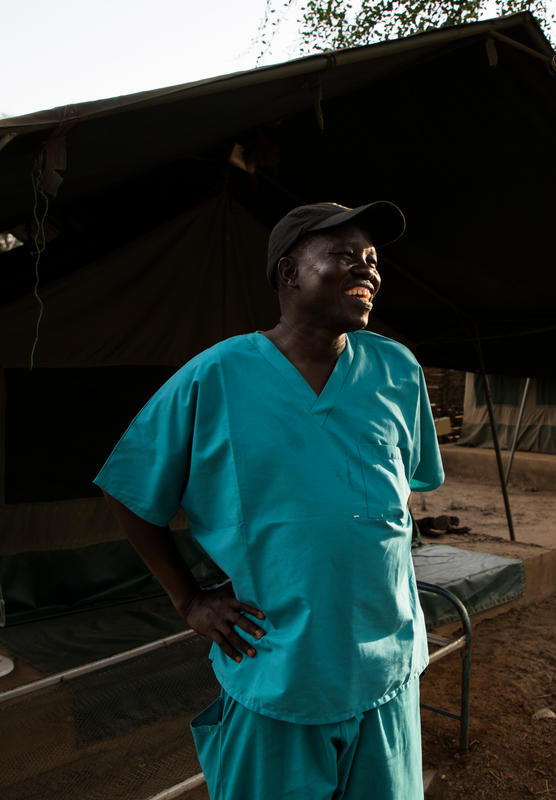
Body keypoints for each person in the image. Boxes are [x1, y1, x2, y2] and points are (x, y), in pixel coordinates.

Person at [95, 200, 444, 799]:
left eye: (372, 259)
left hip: (387, 665)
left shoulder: (397, 371)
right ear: (288, 273)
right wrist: (190, 600)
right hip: (281, 667)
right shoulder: (218, 375)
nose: (366, 271)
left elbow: (398, 488)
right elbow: (129, 489)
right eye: (343, 256)